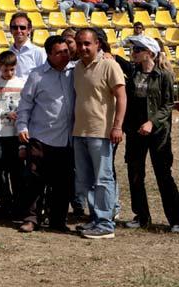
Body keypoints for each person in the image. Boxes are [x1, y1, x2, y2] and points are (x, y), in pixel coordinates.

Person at [124, 36, 179, 233]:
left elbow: (168, 104)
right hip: (135, 130)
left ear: (149, 53)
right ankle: (141, 216)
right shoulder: (133, 73)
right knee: (135, 174)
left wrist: (152, 122)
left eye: (137, 50)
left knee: (163, 174)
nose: (133, 53)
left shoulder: (164, 75)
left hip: (158, 132)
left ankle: (177, 219)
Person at [15, 36, 75, 232]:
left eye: (66, 51)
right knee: (34, 180)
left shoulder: (75, 72)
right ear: (49, 54)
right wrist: (22, 127)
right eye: (59, 52)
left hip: (66, 138)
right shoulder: (36, 75)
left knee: (63, 183)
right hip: (40, 137)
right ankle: (31, 218)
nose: (64, 55)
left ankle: (58, 220)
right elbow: (25, 105)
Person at [72, 28, 126, 239]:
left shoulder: (110, 65)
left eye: (87, 43)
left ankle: (105, 223)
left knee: (103, 178)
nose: (83, 48)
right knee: (87, 180)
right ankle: (95, 218)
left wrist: (117, 126)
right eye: (80, 44)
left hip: (101, 132)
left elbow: (121, 97)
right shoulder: (77, 67)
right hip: (80, 131)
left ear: (98, 44)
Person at [0, 51, 25, 213]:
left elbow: (26, 106)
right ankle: (4, 201)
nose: (8, 74)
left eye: (12, 70)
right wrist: (4, 114)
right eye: (5, 70)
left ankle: (17, 202)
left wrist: (20, 116)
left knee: (16, 170)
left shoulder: (22, 83)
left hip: (16, 135)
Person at [8, 13, 46, 80]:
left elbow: (44, 77)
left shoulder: (39, 52)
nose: (19, 30)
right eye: (15, 27)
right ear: (11, 30)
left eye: (22, 27)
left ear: (29, 30)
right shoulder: (8, 53)